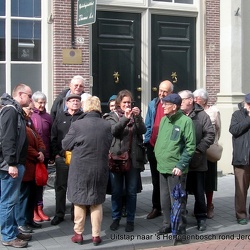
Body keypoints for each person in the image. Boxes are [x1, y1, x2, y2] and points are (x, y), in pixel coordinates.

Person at [62, 96, 112, 246]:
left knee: (79, 201)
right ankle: (96, 235)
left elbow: (65, 144)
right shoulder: (106, 125)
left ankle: (79, 234)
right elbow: (109, 143)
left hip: (80, 169)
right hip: (100, 168)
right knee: (96, 202)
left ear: (85, 107)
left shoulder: (78, 125)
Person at [154, 93, 196, 242]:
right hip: (162, 167)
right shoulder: (165, 120)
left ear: (175, 106)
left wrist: (181, 164)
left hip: (175, 169)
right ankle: (167, 224)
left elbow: (190, 146)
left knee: (177, 200)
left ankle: (180, 230)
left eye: (166, 104)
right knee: (164, 200)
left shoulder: (185, 121)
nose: (163, 106)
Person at [105, 89, 146, 232]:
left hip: (133, 159)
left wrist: (138, 117)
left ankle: (130, 219)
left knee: (131, 191)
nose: (127, 105)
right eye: (124, 102)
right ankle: (116, 218)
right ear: (119, 103)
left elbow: (142, 131)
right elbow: (114, 131)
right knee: (116, 192)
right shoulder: (111, 116)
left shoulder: (135, 117)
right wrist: (125, 118)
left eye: (129, 102)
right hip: (116, 159)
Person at [0, 84, 32, 248]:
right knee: (8, 201)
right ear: (20, 94)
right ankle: (8, 236)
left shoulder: (16, 111)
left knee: (11, 201)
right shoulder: (11, 111)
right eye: (29, 95)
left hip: (15, 163)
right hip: (9, 166)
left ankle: (12, 230)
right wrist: (12, 163)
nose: (31, 99)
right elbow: (8, 139)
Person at [178, 90, 215, 231]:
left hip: (198, 161)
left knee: (199, 192)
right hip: (181, 162)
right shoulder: (177, 115)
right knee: (181, 192)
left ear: (190, 100)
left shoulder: (202, 116)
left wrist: (199, 149)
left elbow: (210, 134)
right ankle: (181, 218)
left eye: (182, 100)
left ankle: (201, 217)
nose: (179, 102)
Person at [50, 94, 83, 226]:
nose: (75, 103)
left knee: (77, 186)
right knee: (60, 186)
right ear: (67, 104)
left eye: (77, 101)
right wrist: (56, 155)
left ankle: (76, 213)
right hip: (62, 158)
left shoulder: (83, 118)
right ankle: (59, 214)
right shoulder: (60, 118)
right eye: (72, 101)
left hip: (78, 158)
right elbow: (53, 137)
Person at [144, 80, 174, 221]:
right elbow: (148, 125)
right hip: (153, 146)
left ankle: (172, 208)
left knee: (170, 180)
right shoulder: (153, 104)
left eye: (165, 91)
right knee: (156, 180)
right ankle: (156, 207)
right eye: (160, 90)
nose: (162, 94)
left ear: (171, 93)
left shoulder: (174, 106)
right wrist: (148, 143)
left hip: (168, 149)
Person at [16, 102, 46, 234]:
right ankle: (21, 222)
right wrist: (37, 154)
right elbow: (24, 145)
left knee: (32, 195)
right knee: (23, 196)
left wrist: (42, 151)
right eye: (29, 109)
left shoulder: (29, 123)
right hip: (27, 166)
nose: (32, 111)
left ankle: (29, 220)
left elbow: (38, 138)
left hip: (34, 166)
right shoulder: (20, 124)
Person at [193, 88, 221, 219]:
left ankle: (209, 205)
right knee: (197, 182)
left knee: (209, 181)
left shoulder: (214, 112)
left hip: (208, 151)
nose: (194, 100)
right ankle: (198, 206)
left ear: (203, 100)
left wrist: (213, 143)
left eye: (196, 98)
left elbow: (218, 130)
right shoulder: (192, 112)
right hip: (196, 152)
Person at [31, 91, 53, 223]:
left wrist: (49, 154)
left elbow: (50, 136)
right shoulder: (30, 116)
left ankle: (40, 208)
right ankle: (33, 209)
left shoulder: (48, 117)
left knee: (41, 183)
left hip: (44, 156)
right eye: (40, 102)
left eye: (44, 102)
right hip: (32, 157)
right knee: (33, 184)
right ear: (34, 102)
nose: (42, 105)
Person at [229, 93, 250, 225]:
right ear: (245, 103)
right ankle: (241, 214)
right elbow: (234, 130)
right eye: (249, 104)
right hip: (242, 159)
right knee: (241, 190)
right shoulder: (237, 115)